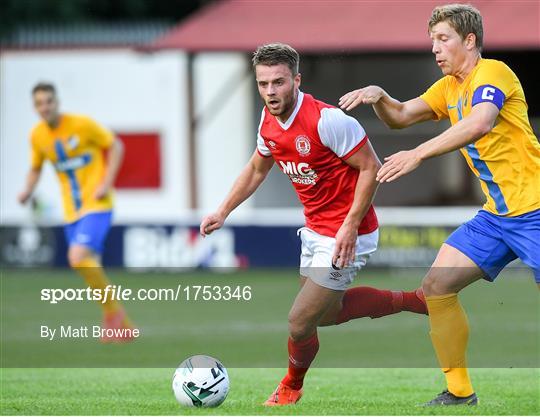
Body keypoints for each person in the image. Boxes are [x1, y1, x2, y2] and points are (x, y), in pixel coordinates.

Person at [200, 43, 427, 406]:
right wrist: (223, 211)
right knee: (326, 316)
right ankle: (413, 300)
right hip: (315, 230)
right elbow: (258, 168)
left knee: (298, 322)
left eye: (278, 82)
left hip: (347, 234)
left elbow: (371, 168)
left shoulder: (327, 121)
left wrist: (350, 226)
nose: (271, 92)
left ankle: (291, 385)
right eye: (263, 84)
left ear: (296, 80)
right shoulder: (268, 121)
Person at [340, 3, 539, 406]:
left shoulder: (494, 73)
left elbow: (479, 122)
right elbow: (398, 116)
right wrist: (380, 97)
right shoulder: (447, 89)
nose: (435, 48)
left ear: (470, 41)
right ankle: (460, 393)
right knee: (436, 287)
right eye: (432, 40)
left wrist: (417, 154)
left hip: (535, 211)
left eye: (443, 39)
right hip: (497, 218)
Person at [18, 82, 135, 343]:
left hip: (97, 205)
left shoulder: (82, 125)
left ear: (56, 102)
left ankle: (114, 315)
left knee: (77, 256)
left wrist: (106, 182)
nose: (45, 107)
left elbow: (116, 145)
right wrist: (27, 189)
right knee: (89, 266)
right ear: (35, 108)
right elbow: (36, 167)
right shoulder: (37, 136)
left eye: (48, 101)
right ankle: (120, 322)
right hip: (72, 212)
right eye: (39, 103)